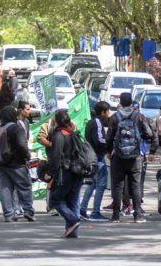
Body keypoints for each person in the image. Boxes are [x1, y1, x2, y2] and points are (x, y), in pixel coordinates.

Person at [106, 92, 153, 223]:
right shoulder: (139, 116)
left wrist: (109, 151)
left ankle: (116, 215)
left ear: (120, 101)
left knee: (117, 186)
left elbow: (109, 137)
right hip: (135, 156)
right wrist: (139, 139)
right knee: (135, 185)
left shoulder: (115, 117)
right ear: (132, 101)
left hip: (118, 156)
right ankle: (137, 215)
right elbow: (149, 133)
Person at [0, 106, 36, 223]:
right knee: (25, 187)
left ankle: (8, 214)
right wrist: (28, 155)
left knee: (5, 188)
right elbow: (21, 145)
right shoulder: (16, 128)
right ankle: (28, 211)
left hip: (2, 164)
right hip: (17, 163)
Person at [49, 109, 84, 238]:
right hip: (77, 172)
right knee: (73, 201)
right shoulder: (72, 133)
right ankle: (72, 231)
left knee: (55, 200)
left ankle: (73, 220)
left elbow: (56, 157)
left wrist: (52, 174)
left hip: (66, 172)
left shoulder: (59, 135)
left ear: (57, 121)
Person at [80, 101, 110, 221]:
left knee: (92, 184)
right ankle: (95, 212)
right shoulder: (97, 123)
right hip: (97, 157)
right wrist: (110, 143)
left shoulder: (92, 122)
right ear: (103, 112)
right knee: (101, 184)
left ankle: (82, 209)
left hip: (92, 157)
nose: (108, 114)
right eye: (107, 111)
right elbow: (99, 140)